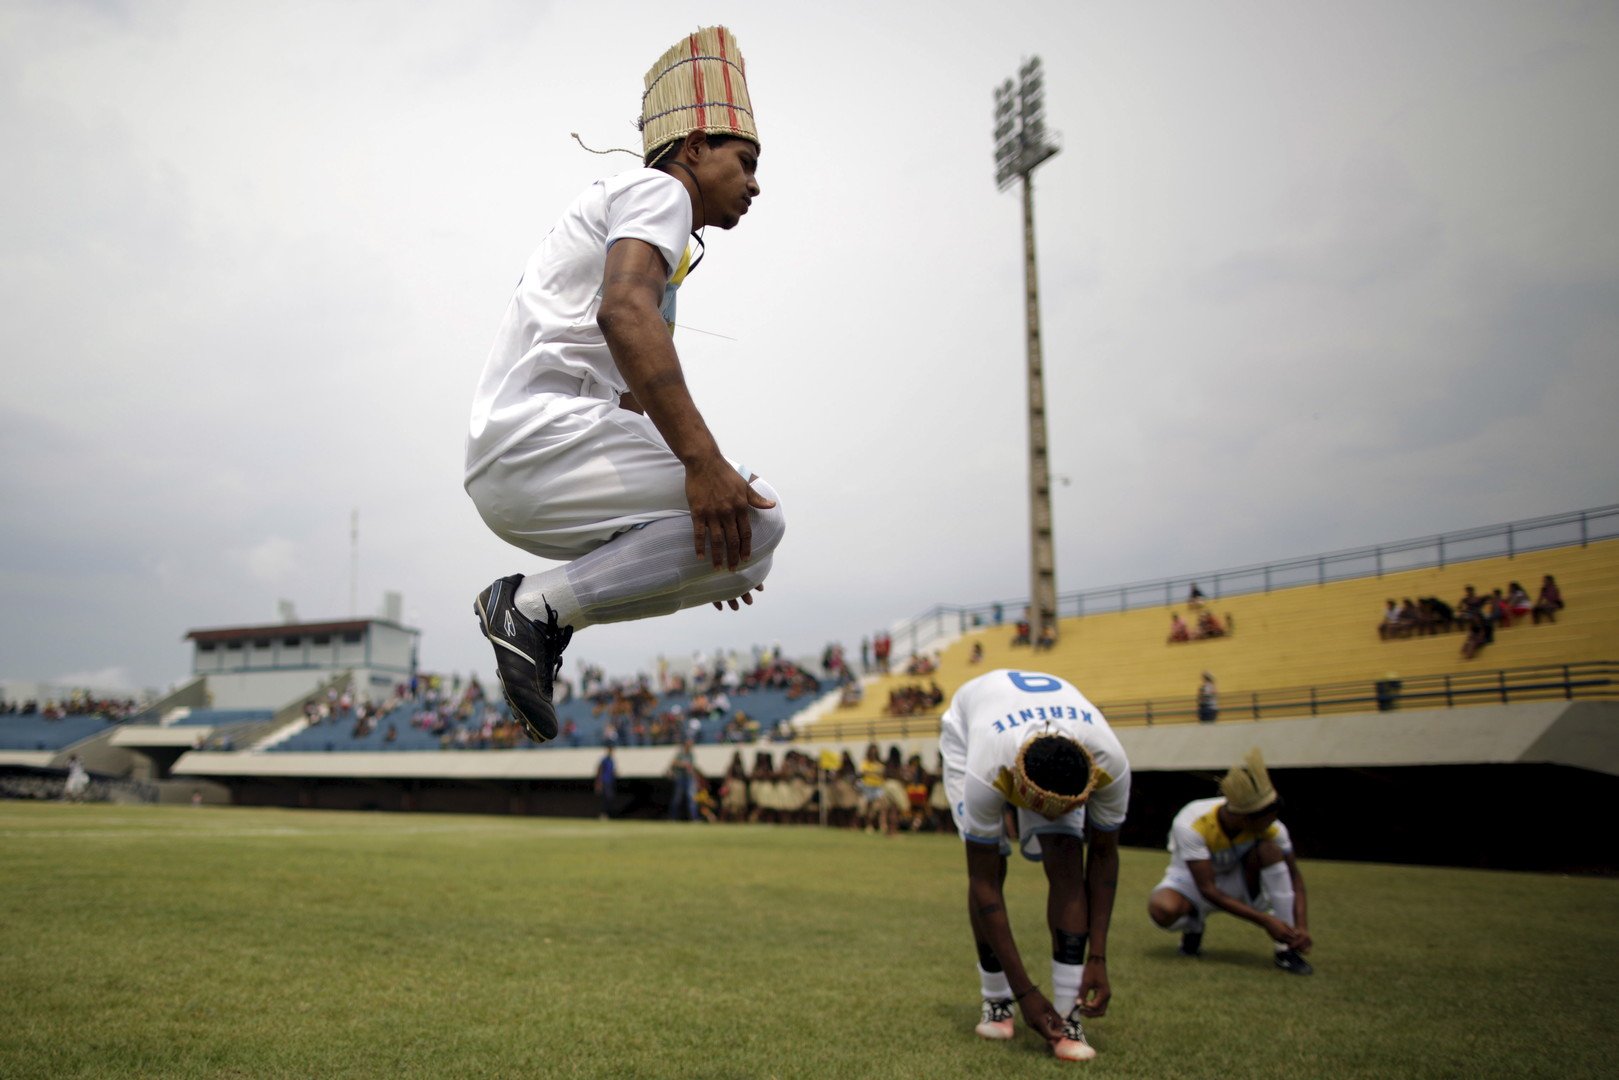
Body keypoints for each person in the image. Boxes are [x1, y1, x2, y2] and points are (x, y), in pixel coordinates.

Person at [465, 27, 783, 744]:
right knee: (761, 517)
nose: (756, 183)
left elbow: (634, 396)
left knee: (742, 535)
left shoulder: (651, 241)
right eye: (746, 160)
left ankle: (537, 612)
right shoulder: (656, 191)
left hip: (518, 465)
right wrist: (705, 470)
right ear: (694, 147)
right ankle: (532, 608)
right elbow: (622, 312)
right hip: (543, 442)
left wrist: (704, 549)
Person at [939, 669, 1132, 1063]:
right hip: (971, 728)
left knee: (1066, 857)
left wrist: (1099, 956)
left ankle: (1068, 1014)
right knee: (993, 862)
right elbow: (982, 880)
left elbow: (1102, 857)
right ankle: (996, 1000)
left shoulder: (1111, 763)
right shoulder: (986, 768)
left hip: (1037, 725)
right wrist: (1023, 990)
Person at [1147, 747, 1313, 975]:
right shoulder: (1193, 821)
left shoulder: (1272, 828)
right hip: (1194, 883)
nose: (1270, 826)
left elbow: (1294, 877)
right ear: (1243, 818)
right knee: (1162, 909)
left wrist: (1301, 926)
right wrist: (1264, 920)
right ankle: (1194, 926)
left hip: (1241, 878)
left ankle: (1286, 947)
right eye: (1264, 821)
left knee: (1271, 851)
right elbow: (1207, 889)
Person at [666, 739, 700, 821]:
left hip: (689, 778)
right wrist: (683, 764)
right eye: (689, 745)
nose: (690, 747)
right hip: (680, 778)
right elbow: (673, 762)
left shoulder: (691, 755)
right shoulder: (680, 754)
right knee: (677, 799)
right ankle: (672, 817)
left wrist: (695, 777)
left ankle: (694, 818)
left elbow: (691, 767)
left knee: (692, 799)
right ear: (685, 746)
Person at [594, 745, 617, 820]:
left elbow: (612, 771)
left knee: (610, 798)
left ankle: (607, 814)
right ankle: (603, 814)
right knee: (606, 798)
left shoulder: (612, 760)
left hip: (610, 782)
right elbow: (599, 770)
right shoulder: (604, 760)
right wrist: (599, 782)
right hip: (604, 781)